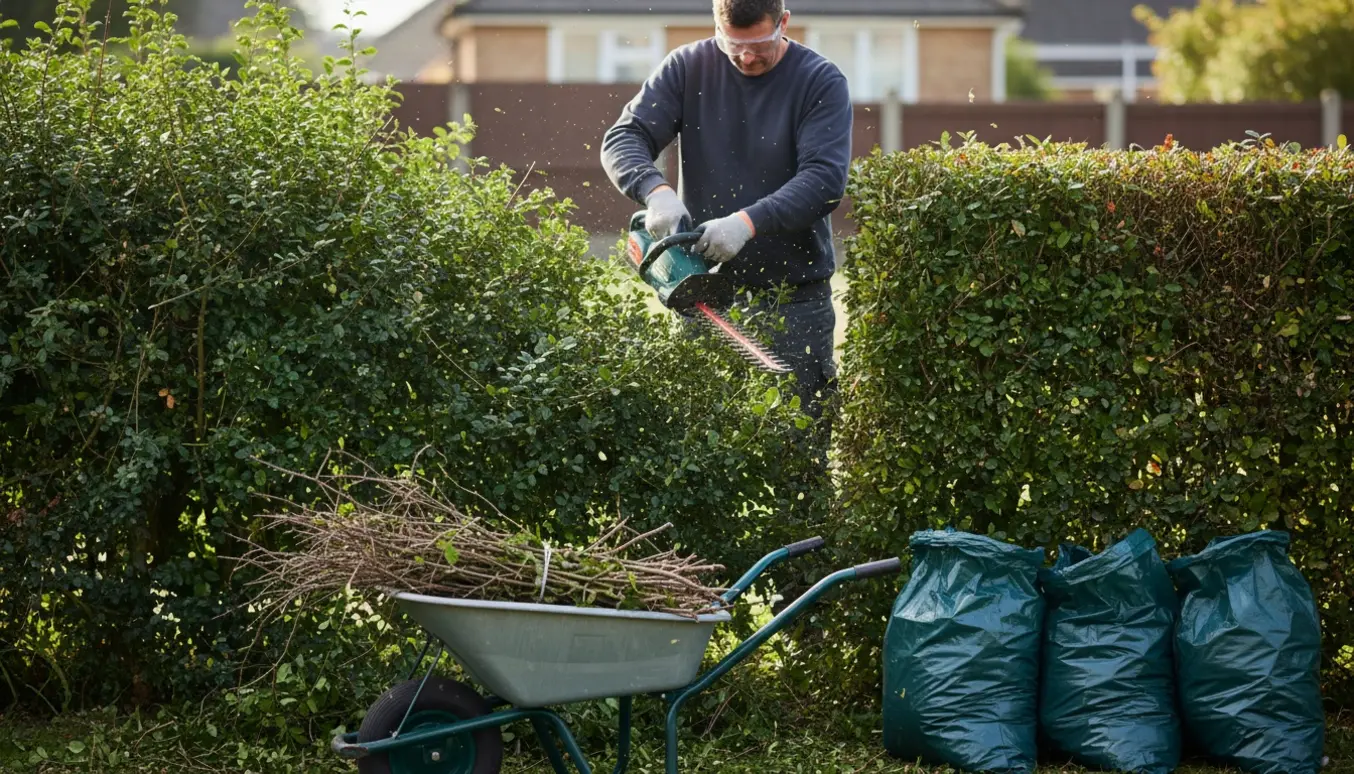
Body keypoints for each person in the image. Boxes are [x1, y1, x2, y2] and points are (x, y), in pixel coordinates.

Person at [599, 0, 853, 427]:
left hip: (794, 299)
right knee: (701, 448)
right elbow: (625, 136)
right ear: (715, 24)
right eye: (732, 44)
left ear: (784, 22)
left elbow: (824, 180)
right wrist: (655, 191)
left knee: (799, 452)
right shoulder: (687, 68)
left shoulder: (819, 81)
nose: (746, 57)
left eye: (759, 44)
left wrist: (746, 223)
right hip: (703, 295)